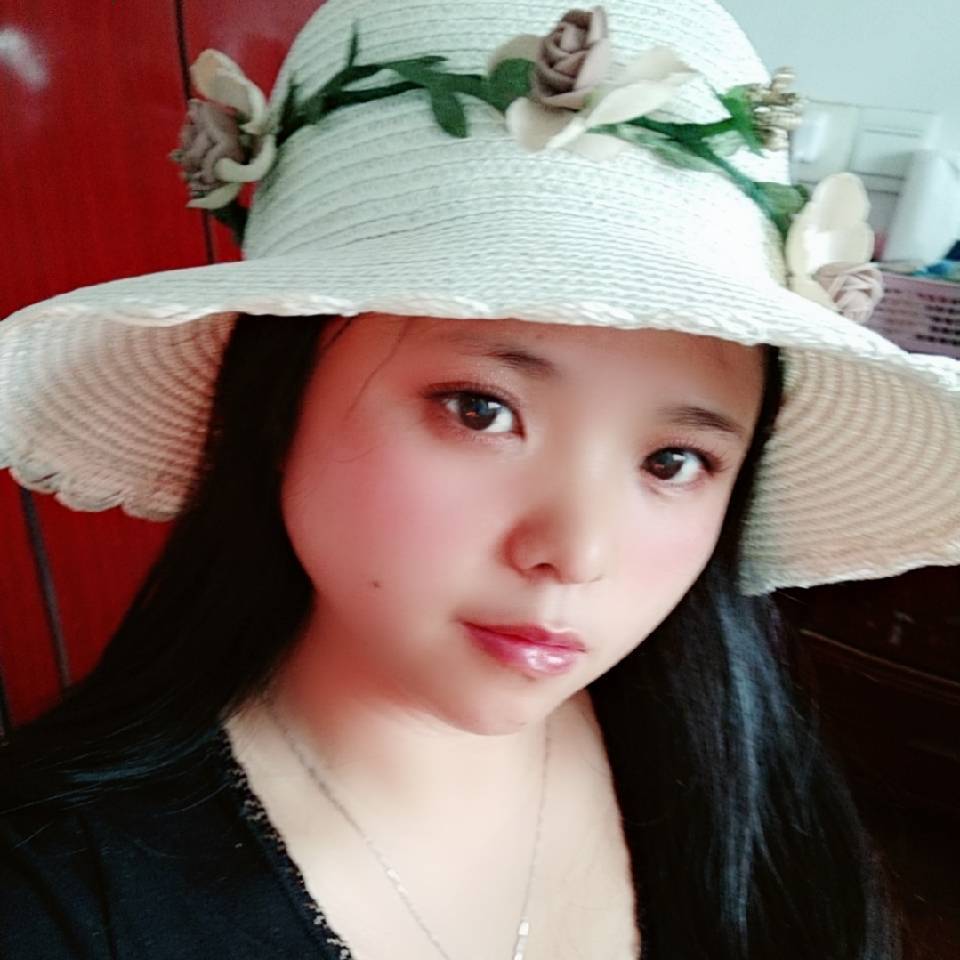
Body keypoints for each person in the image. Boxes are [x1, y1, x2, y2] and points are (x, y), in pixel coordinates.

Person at [1, 0, 957, 958]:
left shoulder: (739, 780)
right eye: (480, 410)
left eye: (674, 462)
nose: (577, 553)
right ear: (275, 403)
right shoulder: (58, 901)